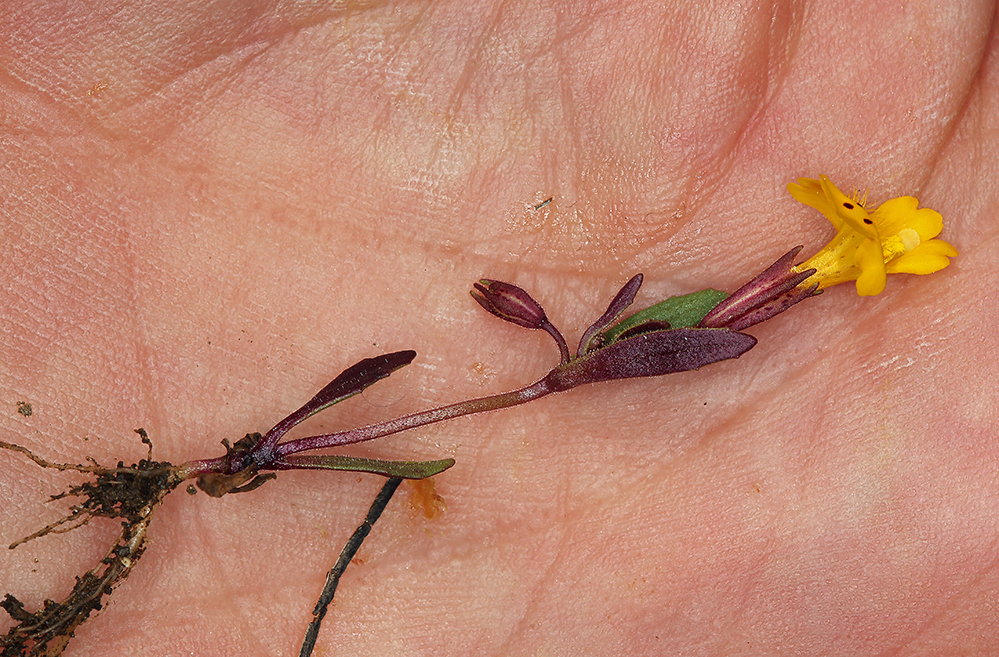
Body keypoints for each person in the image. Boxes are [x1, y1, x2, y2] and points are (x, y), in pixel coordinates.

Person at [1, 1, 992, 654]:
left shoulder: (819, 262)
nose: (866, 242)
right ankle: (172, 483)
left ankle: (172, 493)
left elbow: (715, 331)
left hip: (616, 349)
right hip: (535, 368)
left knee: (710, 328)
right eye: (859, 242)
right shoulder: (819, 238)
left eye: (865, 247)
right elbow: (712, 330)